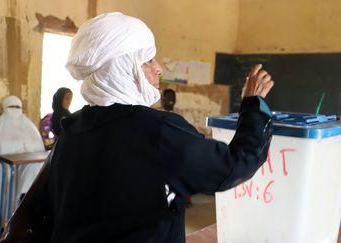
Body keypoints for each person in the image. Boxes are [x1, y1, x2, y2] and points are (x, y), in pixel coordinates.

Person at [46, 12, 274, 243]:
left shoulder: (72, 130)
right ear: (122, 67)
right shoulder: (158, 131)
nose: (159, 68)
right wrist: (254, 106)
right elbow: (234, 165)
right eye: (148, 60)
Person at [0, 96, 45, 231]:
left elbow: (38, 150)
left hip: (27, 167)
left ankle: (24, 216)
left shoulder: (30, 126)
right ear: (5, 108)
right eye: (12, 107)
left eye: (17, 107)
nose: (15, 111)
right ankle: (6, 222)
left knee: (34, 174)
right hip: (2, 167)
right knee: (7, 181)